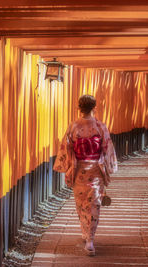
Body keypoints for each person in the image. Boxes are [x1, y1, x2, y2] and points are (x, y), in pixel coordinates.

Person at [53, 94, 118, 256]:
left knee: (82, 203)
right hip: (95, 169)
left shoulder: (73, 126)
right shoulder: (99, 126)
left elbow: (67, 148)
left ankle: (87, 235)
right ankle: (89, 237)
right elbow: (106, 147)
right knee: (94, 203)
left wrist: (67, 164)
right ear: (94, 107)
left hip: (79, 170)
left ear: (79, 107)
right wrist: (109, 166)